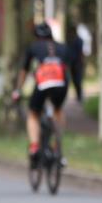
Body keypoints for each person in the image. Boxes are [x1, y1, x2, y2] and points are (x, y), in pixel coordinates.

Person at [12, 21, 70, 167]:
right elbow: (70, 68)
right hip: (61, 84)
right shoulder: (63, 47)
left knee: (33, 114)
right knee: (58, 110)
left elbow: (24, 71)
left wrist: (18, 90)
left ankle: (35, 147)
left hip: (44, 83)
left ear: (36, 36)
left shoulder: (33, 47)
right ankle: (58, 147)